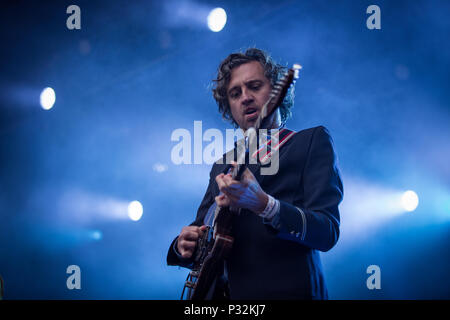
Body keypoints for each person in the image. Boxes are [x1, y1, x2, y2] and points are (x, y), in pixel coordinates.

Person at [167, 48, 343, 300]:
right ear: (228, 106)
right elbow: (204, 234)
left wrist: (265, 205)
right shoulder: (222, 166)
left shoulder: (310, 142)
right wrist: (184, 244)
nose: (245, 97)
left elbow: (327, 233)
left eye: (254, 86)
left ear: (276, 92)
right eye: (235, 93)